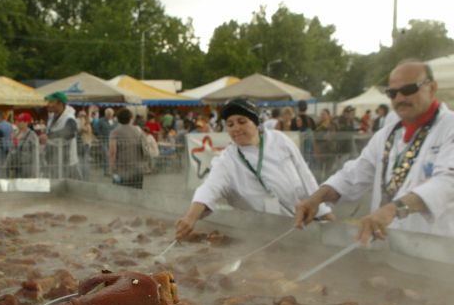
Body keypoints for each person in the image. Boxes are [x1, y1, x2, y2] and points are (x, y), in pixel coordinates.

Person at [296, 60, 454, 241]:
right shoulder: (387, 134)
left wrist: (393, 209)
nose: (400, 98)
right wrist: (316, 199)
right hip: (390, 247)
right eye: (393, 93)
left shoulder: (449, 127)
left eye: (409, 90)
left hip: (437, 250)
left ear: (432, 88)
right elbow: (353, 174)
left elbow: (447, 183)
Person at [176, 99, 331, 240]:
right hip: (263, 234)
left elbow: (305, 174)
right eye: (230, 124)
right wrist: (191, 217)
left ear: (256, 123)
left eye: (241, 121)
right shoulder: (227, 160)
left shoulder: (279, 139)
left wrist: (324, 211)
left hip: (305, 221)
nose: (236, 128)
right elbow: (210, 187)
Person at [39, 91, 80, 179]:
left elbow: (70, 132)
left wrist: (49, 136)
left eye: (51, 102)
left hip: (67, 162)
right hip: (54, 160)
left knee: (70, 189)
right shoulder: (52, 116)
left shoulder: (69, 118)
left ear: (60, 103)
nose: (48, 104)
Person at [109, 107, 147, 189]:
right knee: (137, 192)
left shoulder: (115, 132)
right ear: (131, 118)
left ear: (118, 119)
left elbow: (113, 152)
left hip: (122, 169)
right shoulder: (138, 130)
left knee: (121, 193)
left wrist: (112, 167)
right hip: (138, 168)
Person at [6, 112, 40, 178]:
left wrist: (35, 172)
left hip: (27, 169)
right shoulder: (15, 133)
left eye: (20, 121)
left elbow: (35, 155)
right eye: (17, 120)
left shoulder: (32, 135)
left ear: (26, 122)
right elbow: (12, 150)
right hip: (15, 168)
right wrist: (8, 164)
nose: (17, 122)